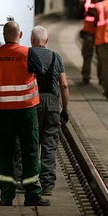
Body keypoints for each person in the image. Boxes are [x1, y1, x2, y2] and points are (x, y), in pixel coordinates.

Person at [0, 21, 49, 206]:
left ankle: (6, 196)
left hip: (3, 111)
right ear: (20, 35)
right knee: (29, 151)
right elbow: (41, 71)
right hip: (26, 110)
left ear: (4, 36)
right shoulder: (28, 53)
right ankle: (32, 194)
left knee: (5, 152)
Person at [29, 26, 70, 196]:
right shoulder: (56, 57)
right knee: (49, 145)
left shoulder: (27, 55)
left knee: (31, 144)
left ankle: (30, 182)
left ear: (31, 40)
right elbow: (64, 85)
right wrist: (65, 109)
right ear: (46, 41)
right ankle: (47, 185)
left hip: (32, 103)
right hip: (52, 105)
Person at [79, 0, 105, 85]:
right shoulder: (87, 1)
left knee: (101, 57)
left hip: (100, 34)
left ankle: (101, 78)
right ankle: (86, 77)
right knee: (87, 55)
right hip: (89, 33)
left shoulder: (105, 3)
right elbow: (80, 14)